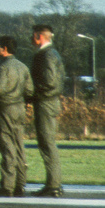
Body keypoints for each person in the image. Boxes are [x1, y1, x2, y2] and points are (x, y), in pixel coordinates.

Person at [0, 35, 34, 197]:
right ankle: (20, 184)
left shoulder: (2, 67)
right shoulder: (23, 67)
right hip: (20, 108)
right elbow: (29, 91)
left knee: (6, 146)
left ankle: (7, 185)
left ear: (4, 49)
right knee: (19, 145)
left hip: (6, 108)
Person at [29, 24, 66, 197]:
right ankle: (53, 183)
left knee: (47, 143)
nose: (31, 39)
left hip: (45, 102)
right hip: (48, 101)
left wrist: (32, 94)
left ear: (39, 37)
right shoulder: (51, 54)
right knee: (47, 143)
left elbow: (50, 82)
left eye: (33, 36)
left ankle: (53, 185)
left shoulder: (47, 55)